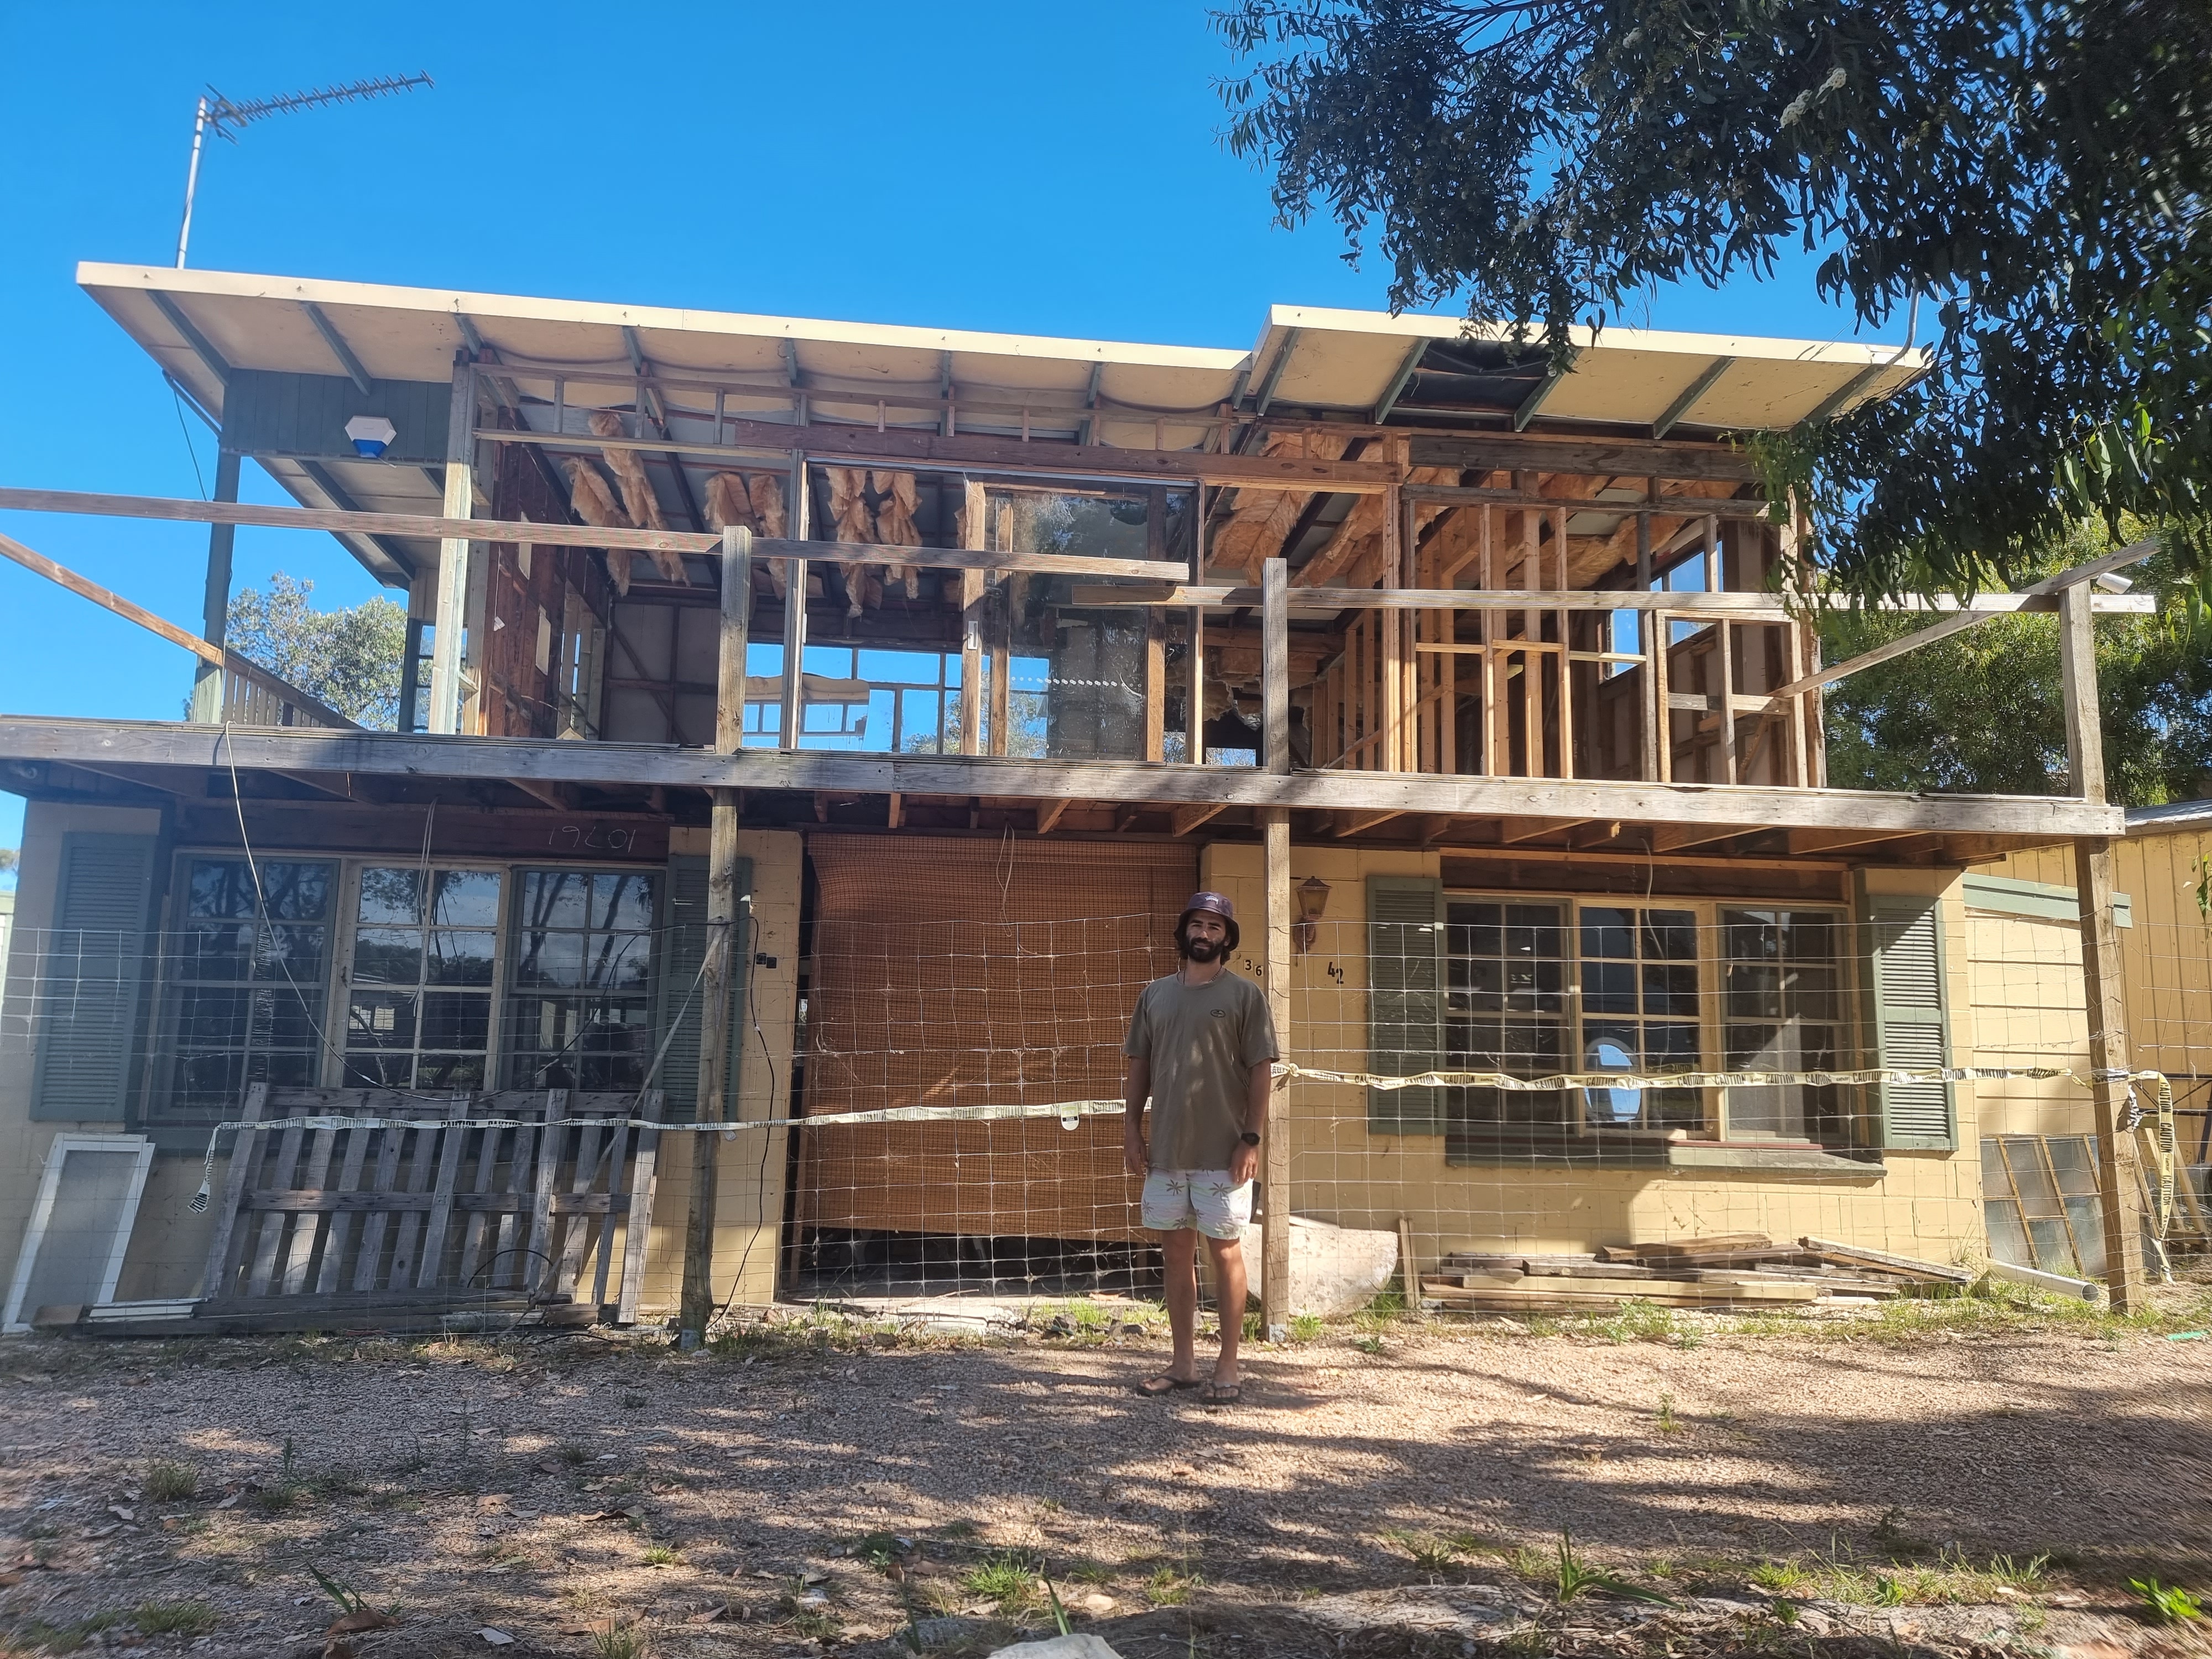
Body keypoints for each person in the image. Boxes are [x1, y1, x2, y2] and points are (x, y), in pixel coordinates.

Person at [1122, 891, 1279, 1406]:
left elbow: (1261, 1071)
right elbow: (1139, 1066)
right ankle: (1183, 1365)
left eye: (1215, 926)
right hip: (1166, 1153)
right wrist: (1131, 1128)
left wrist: (1251, 1139)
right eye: (1197, 924)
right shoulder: (1154, 996)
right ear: (1184, 932)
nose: (1204, 933)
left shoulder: (1245, 996)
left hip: (1225, 1155)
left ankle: (1228, 1366)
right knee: (1174, 1255)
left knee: (1225, 1252)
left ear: (1227, 937)